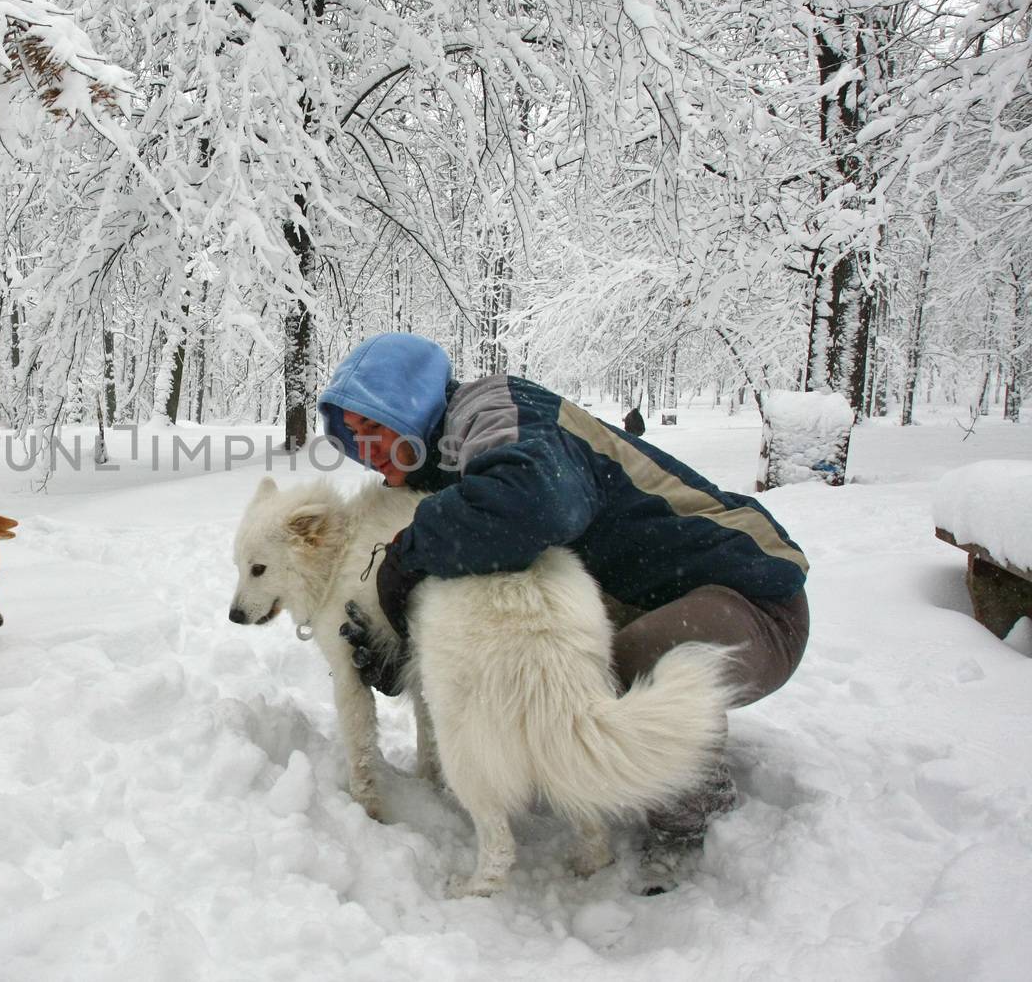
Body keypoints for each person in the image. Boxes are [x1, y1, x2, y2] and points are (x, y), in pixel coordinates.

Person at [317, 332, 809, 894]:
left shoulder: (497, 409)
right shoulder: (441, 464)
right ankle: (614, 750)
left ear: (411, 405)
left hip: (753, 598)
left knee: (628, 662)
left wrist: (406, 556)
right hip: (648, 596)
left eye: (376, 428)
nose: (369, 450)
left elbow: (532, 502)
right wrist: (401, 645)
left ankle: (685, 818)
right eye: (355, 438)